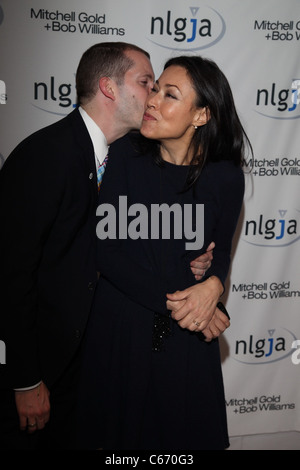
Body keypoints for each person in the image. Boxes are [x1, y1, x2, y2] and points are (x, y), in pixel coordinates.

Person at [0, 42, 214, 450]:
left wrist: (199, 268)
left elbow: (125, 243)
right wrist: (24, 378)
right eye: (146, 81)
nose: (153, 94)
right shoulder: (46, 156)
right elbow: (10, 276)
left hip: (87, 370)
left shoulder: (122, 160)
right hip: (38, 374)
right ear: (109, 88)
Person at [77, 55, 250, 450]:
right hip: (123, 332)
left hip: (186, 343)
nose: (152, 100)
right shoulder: (124, 155)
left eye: (169, 94)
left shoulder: (225, 176)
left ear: (201, 115)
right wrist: (196, 306)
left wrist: (215, 285)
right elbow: (106, 251)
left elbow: (220, 250)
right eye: (154, 89)